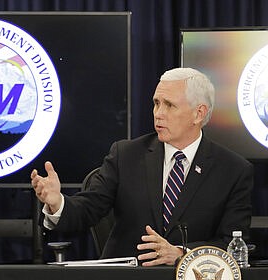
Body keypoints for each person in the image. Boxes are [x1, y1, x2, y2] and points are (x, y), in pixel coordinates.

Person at [31, 67, 253, 266]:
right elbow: (88, 209)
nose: (158, 113)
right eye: (156, 103)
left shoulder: (233, 170)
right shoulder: (125, 155)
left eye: (169, 105)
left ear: (199, 113)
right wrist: (57, 203)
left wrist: (181, 254)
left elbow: (232, 244)